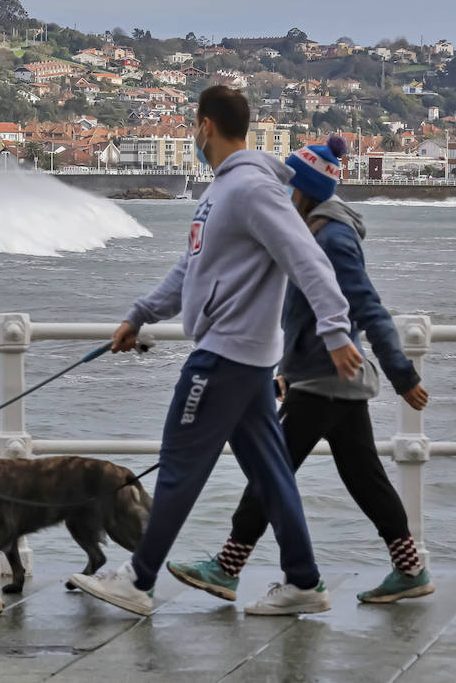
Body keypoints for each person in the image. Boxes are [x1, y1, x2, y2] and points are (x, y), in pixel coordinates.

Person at [69, 86, 363, 617]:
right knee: (272, 473)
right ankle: (304, 582)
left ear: (205, 125)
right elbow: (192, 269)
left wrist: (336, 331)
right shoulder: (222, 192)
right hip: (244, 360)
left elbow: (308, 261)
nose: (193, 133)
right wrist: (139, 316)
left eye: (193, 125)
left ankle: (138, 579)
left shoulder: (252, 189)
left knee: (180, 464)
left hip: (225, 355)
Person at [168, 136, 434, 605]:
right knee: (365, 478)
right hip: (321, 378)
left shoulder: (332, 238)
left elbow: (366, 305)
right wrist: (286, 371)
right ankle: (410, 569)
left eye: (286, 184)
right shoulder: (309, 232)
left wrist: (402, 374)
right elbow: (303, 317)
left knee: (271, 473)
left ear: (302, 191)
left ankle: (234, 569)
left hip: (329, 380)